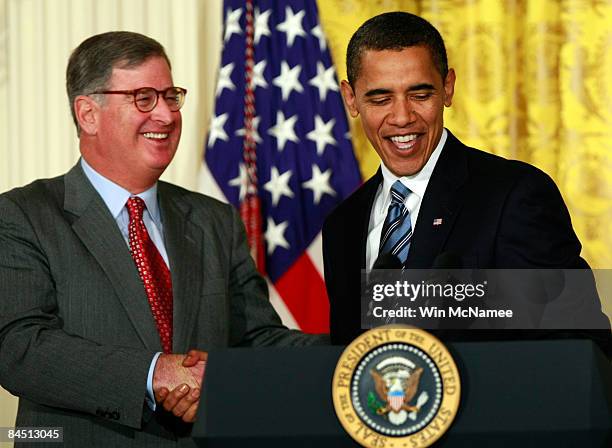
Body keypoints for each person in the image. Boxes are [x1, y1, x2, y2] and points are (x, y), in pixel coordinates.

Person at [0, 31, 325, 446]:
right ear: (88, 114)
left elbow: (255, 339)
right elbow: (18, 346)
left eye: (171, 96)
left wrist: (358, 349)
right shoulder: (23, 215)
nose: (167, 115)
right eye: (144, 98)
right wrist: (156, 373)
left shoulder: (214, 220)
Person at [323, 12, 611, 354]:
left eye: (420, 94)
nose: (402, 117)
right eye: (380, 98)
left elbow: (580, 347)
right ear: (351, 98)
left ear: (447, 87)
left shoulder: (514, 196)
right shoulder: (342, 225)